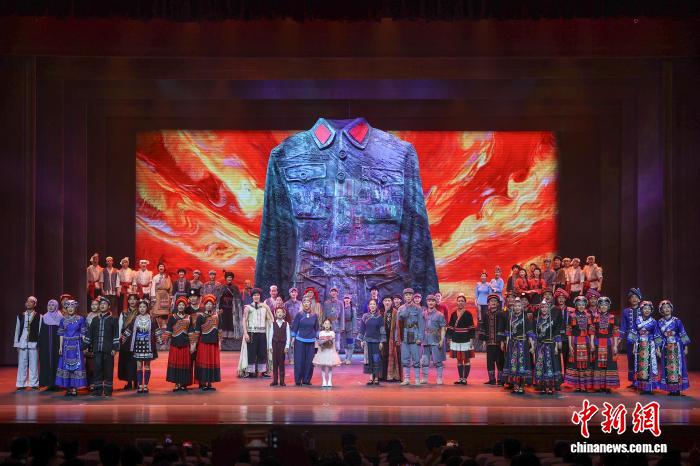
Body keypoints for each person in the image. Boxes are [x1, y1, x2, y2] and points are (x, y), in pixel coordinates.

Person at [121, 298, 159, 393]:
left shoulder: (151, 319)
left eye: (144, 307)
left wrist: (160, 340)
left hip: (148, 345)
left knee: (147, 366)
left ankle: (145, 385)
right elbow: (129, 330)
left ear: (147, 308)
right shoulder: (135, 319)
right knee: (138, 366)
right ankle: (139, 385)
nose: (142, 308)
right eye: (140, 307)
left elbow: (156, 330)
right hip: (138, 345)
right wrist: (122, 339)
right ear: (138, 308)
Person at [85, 296, 120, 396]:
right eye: (101, 304)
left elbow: (116, 335)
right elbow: (90, 335)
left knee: (108, 370)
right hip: (97, 349)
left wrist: (115, 348)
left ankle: (108, 391)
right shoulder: (95, 320)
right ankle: (97, 390)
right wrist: (85, 346)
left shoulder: (113, 320)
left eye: (104, 304)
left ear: (109, 306)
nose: (102, 305)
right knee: (97, 370)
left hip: (108, 350)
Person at [656, 300, 691, 396]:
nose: (666, 309)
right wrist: (658, 349)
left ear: (671, 309)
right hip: (666, 347)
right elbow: (658, 336)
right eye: (664, 308)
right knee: (667, 367)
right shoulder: (659, 322)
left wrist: (686, 347)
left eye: (668, 307)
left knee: (677, 367)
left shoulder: (677, 321)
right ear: (661, 310)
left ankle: (678, 388)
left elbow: (682, 333)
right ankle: (671, 389)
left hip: (677, 347)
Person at [55, 299, 88, 396]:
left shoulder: (81, 319)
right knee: (66, 366)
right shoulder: (63, 320)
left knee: (76, 367)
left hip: (77, 345)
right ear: (66, 308)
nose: (70, 309)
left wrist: (85, 346)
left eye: (72, 307)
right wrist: (60, 347)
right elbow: (61, 334)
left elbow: (83, 334)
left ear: (75, 308)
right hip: (66, 346)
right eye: (68, 307)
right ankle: (68, 387)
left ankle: (74, 388)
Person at [240, 288, 273, 378]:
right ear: (252, 296)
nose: (256, 297)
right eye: (254, 295)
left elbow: (270, 319)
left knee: (262, 352)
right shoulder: (248, 308)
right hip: (252, 332)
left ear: (260, 296)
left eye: (258, 295)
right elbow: (244, 320)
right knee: (251, 352)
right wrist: (245, 333)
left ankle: (263, 371)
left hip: (262, 333)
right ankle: (250, 371)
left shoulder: (265, 307)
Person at [502, 297, 534, 394]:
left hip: (522, 344)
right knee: (513, 364)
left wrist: (532, 346)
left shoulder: (525, 318)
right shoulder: (510, 318)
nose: (517, 307)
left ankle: (522, 386)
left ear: (522, 307)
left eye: (519, 306)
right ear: (513, 307)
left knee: (522, 364)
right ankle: (515, 385)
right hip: (513, 344)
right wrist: (507, 344)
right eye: (515, 306)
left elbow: (529, 333)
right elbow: (508, 333)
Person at [628, 300, 659, 394]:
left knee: (650, 365)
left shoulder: (653, 321)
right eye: (645, 308)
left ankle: (649, 387)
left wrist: (657, 348)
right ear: (641, 310)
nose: (647, 310)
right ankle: (642, 386)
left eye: (649, 309)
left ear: (651, 310)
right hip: (639, 344)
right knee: (640, 365)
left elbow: (656, 334)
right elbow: (633, 333)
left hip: (650, 344)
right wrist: (634, 347)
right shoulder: (637, 320)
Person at [531, 300, 562, 395]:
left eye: (546, 307)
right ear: (540, 309)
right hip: (540, 346)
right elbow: (534, 334)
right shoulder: (536, 320)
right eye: (542, 307)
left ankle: (550, 386)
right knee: (541, 365)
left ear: (549, 309)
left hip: (550, 345)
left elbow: (556, 332)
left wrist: (556, 346)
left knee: (550, 365)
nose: (544, 309)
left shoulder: (553, 319)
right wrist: (533, 346)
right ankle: (542, 386)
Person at [163, 296, 193, 391]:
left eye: (183, 305)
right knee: (176, 364)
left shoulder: (189, 318)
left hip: (185, 345)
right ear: (177, 306)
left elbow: (191, 332)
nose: (181, 306)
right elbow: (168, 330)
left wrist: (192, 345)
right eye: (179, 305)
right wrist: (165, 342)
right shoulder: (172, 317)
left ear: (185, 306)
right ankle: (177, 384)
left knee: (184, 364)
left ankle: (183, 383)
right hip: (175, 345)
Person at [590, 296, 620, 393]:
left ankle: (608, 385)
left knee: (609, 363)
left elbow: (615, 332)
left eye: (605, 305)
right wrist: (591, 343)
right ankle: (598, 385)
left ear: (608, 306)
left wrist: (615, 345)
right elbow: (592, 331)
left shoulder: (612, 317)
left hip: (609, 343)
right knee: (598, 364)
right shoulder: (595, 317)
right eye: (601, 305)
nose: (603, 307)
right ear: (599, 306)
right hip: (598, 343)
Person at [193, 294, 222, 391]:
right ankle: (203, 383)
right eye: (207, 304)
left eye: (211, 304)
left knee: (211, 362)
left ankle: (209, 383)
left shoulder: (216, 316)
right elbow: (197, 332)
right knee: (204, 362)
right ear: (204, 305)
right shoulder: (200, 317)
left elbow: (219, 330)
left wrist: (220, 343)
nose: (209, 305)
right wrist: (194, 345)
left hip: (214, 344)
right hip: (203, 344)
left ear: (213, 305)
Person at [396, 288, 424, 386]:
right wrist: (397, 338)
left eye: (410, 295)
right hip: (404, 334)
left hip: (414, 333)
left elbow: (421, 324)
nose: (408, 296)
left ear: (412, 296)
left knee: (416, 358)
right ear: (404, 297)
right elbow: (397, 325)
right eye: (406, 295)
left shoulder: (418, 308)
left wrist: (420, 337)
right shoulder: (400, 309)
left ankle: (417, 379)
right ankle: (406, 379)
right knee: (405, 358)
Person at [564, 295, 593, 392]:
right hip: (575, 341)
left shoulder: (588, 315)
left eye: (583, 304)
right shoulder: (572, 316)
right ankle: (577, 385)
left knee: (585, 363)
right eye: (579, 304)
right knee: (576, 363)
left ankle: (585, 385)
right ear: (576, 305)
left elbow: (591, 331)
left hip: (586, 341)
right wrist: (570, 345)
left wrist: (592, 343)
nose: (581, 306)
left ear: (585, 305)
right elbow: (569, 331)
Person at [447, 293, 476, 385]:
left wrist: (471, 340)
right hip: (456, 338)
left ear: (465, 303)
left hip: (466, 338)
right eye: (459, 301)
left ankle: (465, 379)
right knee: (459, 359)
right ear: (457, 302)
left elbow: (471, 328)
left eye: (462, 301)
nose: (460, 302)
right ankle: (460, 378)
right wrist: (449, 338)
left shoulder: (468, 314)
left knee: (466, 359)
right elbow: (451, 327)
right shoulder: (453, 314)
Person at [291, 296, 319, 386]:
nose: (306, 303)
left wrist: (319, 338)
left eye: (308, 302)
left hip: (311, 340)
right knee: (299, 360)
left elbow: (317, 328)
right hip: (300, 340)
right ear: (302, 304)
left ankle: (306, 380)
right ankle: (298, 380)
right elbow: (294, 327)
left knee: (309, 361)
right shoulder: (299, 315)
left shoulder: (314, 315)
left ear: (310, 304)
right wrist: (293, 338)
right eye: (305, 302)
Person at [14, 296, 41, 390]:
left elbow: (39, 331)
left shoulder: (39, 316)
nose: (28, 303)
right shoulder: (20, 316)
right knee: (22, 364)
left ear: (35, 304)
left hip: (34, 343)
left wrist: (39, 344)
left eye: (31, 302)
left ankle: (34, 384)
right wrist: (17, 344)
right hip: (22, 342)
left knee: (34, 364)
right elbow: (17, 330)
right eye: (27, 301)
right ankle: (21, 384)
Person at [39, 297, 65, 390]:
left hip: (57, 344)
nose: (50, 306)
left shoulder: (61, 317)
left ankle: (57, 384)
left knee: (57, 362)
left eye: (53, 305)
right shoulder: (44, 317)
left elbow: (63, 332)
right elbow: (41, 332)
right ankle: (48, 383)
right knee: (46, 362)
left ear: (56, 306)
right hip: (46, 345)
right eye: (49, 305)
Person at [358, 299, 385, 385]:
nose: (372, 306)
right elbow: (362, 329)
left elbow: (382, 330)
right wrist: (361, 340)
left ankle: (376, 378)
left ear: (376, 306)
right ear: (368, 306)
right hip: (367, 341)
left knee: (376, 359)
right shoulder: (365, 316)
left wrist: (381, 341)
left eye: (374, 304)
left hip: (376, 341)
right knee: (369, 359)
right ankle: (370, 378)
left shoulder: (379, 317)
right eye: (371, 304)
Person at [421, 295, 447, 384]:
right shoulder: (423, 314)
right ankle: (425, 378)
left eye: (432, 301)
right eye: (429, 301)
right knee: (424, 361)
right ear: (427, 302)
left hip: (435, 340)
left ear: (435, 302)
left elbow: (443, 328)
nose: (430, 303)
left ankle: (439, 378)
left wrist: (442, 340)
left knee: (438, 361)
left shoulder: (440, 315)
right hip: (425, 340)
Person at [620, 287, 643, 387]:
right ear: (629, 299)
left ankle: (642, 380)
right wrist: (620, 337)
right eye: (632, 297)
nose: (634, 299)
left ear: (639, 299)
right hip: (630, 339)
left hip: (642, 338)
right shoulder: (625, 311)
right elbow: (623, 326)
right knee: (631, 358)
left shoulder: (644, 310)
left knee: (641, 358)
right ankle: (634, 381)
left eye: (636, 297)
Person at [479, 293, 503, 385]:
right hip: (489, 342)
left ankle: (500, 379)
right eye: (491, 301)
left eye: (495, 301)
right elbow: (483, 327)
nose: (493, 302)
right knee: (490, 361)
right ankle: (492, 379)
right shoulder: (486, 314)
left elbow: (502, 328)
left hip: (499, 342)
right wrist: (484, 341)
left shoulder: (501, 314)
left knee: (500, 361)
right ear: (488, 303)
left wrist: (502, 341)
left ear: (498, 303)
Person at [117, 293, 138, 390]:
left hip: (136, 338)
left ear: (137, 301)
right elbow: (120, 326)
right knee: (127, 361)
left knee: (136, 361)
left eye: (134, 299)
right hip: (125, 339)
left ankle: (136, 382)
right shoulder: (124, 313)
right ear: (128, 301)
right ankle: (129, 382)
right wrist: (119, 339)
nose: (132, 301)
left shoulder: (140, 312)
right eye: (130, 299)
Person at [314, 318, 343, 387]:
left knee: (330, 366)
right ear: (323, 325)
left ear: (330, 325)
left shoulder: (332, 333)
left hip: (330, 351)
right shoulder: (321, 333)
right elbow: (319, 342)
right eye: (325, 323)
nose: (327, 325)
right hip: (323, 351)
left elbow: (332, 342)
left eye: (328, 324)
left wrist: (328, 341)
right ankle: (324, 380)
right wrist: (321, 343)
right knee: (323, 366)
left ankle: (329, 380)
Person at [552, 288, 572, 387]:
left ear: (565, 299)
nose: (561, 299)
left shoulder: (571, 310)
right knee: (557, 359)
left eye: (562, 298)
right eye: (559, 298)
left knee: (566, 358)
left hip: (567, 337)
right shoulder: (553, 310)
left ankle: (568, 379)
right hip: (556, 337)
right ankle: (558, 379)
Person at [218, 271, 243, 349]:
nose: (229, 278)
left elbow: (238, 299)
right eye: (228, 277)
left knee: (231, 323)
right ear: (226, 278)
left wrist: (237, 308)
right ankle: (224, 338)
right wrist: (220, 308)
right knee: (224, 323)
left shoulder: (235, 288)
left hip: (232, 309)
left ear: (232, 279)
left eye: (230, 277)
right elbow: (220, 298)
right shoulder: (222, 287)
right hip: (224, 309)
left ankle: (231, 338)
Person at [267, 305, 290, 386]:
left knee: (281, 363)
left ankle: (282, 381)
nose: (279, 313)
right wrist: (270, 346)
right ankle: (275, 380)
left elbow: (288, 335)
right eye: (278, 312)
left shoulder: (286, 324)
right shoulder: (273, 324)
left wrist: (287, 346)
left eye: (281, 312)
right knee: (275, 363)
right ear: (275, 314)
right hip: (275, 345)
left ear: (284, 314)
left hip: (282, 345)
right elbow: (271, 335)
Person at [283, 287, 302, 363]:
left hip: (298, 326)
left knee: (298, 342)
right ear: (289, 294)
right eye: (292, 292)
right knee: (290, 341)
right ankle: (290, 359)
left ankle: (297, 358)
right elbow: (284, 315)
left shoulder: (300, 303)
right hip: (289, 326)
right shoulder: (286, 304)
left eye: (295, 292)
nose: (294, 293)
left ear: (297, 293)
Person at [379, 296, 395, 381]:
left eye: (389, 300)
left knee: (391, 355)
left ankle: (391, 375)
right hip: (381, 337)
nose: (387, 302)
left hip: (391, 337)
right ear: (383, 302)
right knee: (382, 356)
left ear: (392, 302)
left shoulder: (395, 312)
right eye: (385, 300)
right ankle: (381, 375)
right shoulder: (380, 312)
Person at [338, 293, 356, 365]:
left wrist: (354, 330)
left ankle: (349, 359)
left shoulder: (353, 309)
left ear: (350, 300)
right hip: (343, 329)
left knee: (350, 344)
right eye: (345, 298)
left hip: (350, 329)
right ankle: (346, 358)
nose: (347, 300)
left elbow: (354, 320)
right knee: (345, 344)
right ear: (343, 299)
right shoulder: (341, 308)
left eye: (348, 298)